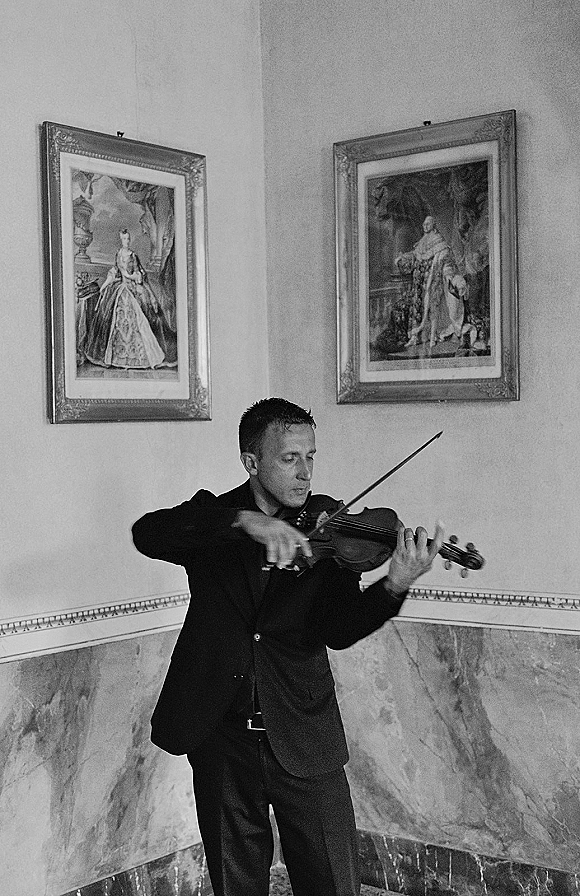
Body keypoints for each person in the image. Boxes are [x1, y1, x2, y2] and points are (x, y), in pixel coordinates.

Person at [132, 398, 444, 896]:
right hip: (222, 736)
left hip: (302, 732)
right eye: (289, 458)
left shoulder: (329, 525)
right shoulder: (214, 518)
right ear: (252, 462)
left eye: (311, 457)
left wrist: (394, 585)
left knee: (333, 883)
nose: (305, 473)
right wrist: (243, 521)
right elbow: (148, 532)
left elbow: (339, 630)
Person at [84, 228, 177, 369]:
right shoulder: (118, 254)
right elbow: (115, 271)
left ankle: (141, 357)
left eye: (128, 239)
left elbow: (139, 273)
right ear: (121, 239)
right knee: (110, 316)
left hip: (133, 288)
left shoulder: (133, 256)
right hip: (120, 288)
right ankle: (115, 357)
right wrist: (104, 285)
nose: (126, 241)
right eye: (124, 239)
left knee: (145, 317)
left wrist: (135, 277)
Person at [396, 215, 467, 349]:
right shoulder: (422, 241)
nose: (425, 226)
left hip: (433, 282)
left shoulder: (439, 241)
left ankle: (432, 336)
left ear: (433, 225)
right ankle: (414, 338)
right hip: (419, 283)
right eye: (424, 224)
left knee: (433, 309)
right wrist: (403, 257)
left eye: (428, 224)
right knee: (416, 310)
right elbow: (414, 255)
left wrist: (451, 277)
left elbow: (446, 262)